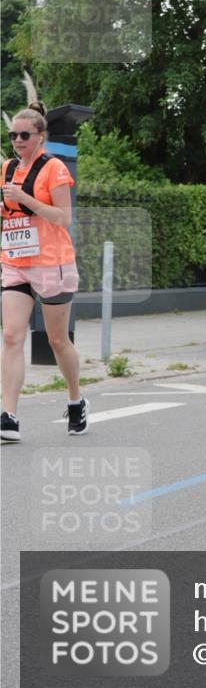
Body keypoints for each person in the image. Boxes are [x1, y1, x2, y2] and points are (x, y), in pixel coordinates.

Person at [1, 102, 89, 441]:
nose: (18, 140)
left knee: (56, 339)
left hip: (53, 262)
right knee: (11, 336)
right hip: (15, 262)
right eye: (13, 135)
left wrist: (25, 198)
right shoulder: (7, 168)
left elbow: (64, 218)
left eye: (24, 135)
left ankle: (75, 399)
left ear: (41, 136)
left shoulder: (54, 169)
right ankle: (8, 415)